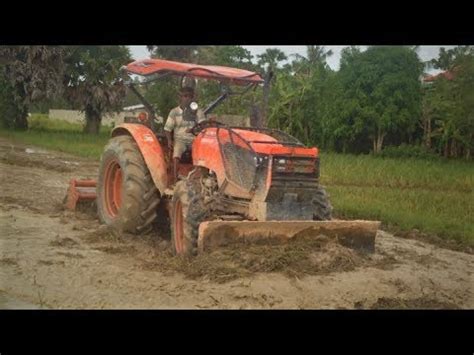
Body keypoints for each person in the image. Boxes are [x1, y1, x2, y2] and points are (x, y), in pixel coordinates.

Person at [164, 86, 206, 182]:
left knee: (202, 153)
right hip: (180, 139)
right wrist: (170, 140)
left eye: (190, 96)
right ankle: (175, 179)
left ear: (193, 98)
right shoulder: (174, 112)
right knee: (176, 153)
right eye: (185, 96)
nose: (187, 99)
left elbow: (203, 125)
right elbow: (167, 128)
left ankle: (201, 177)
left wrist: (196, 128)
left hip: (194, 139)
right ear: (180, 97)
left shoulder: (198, 111)